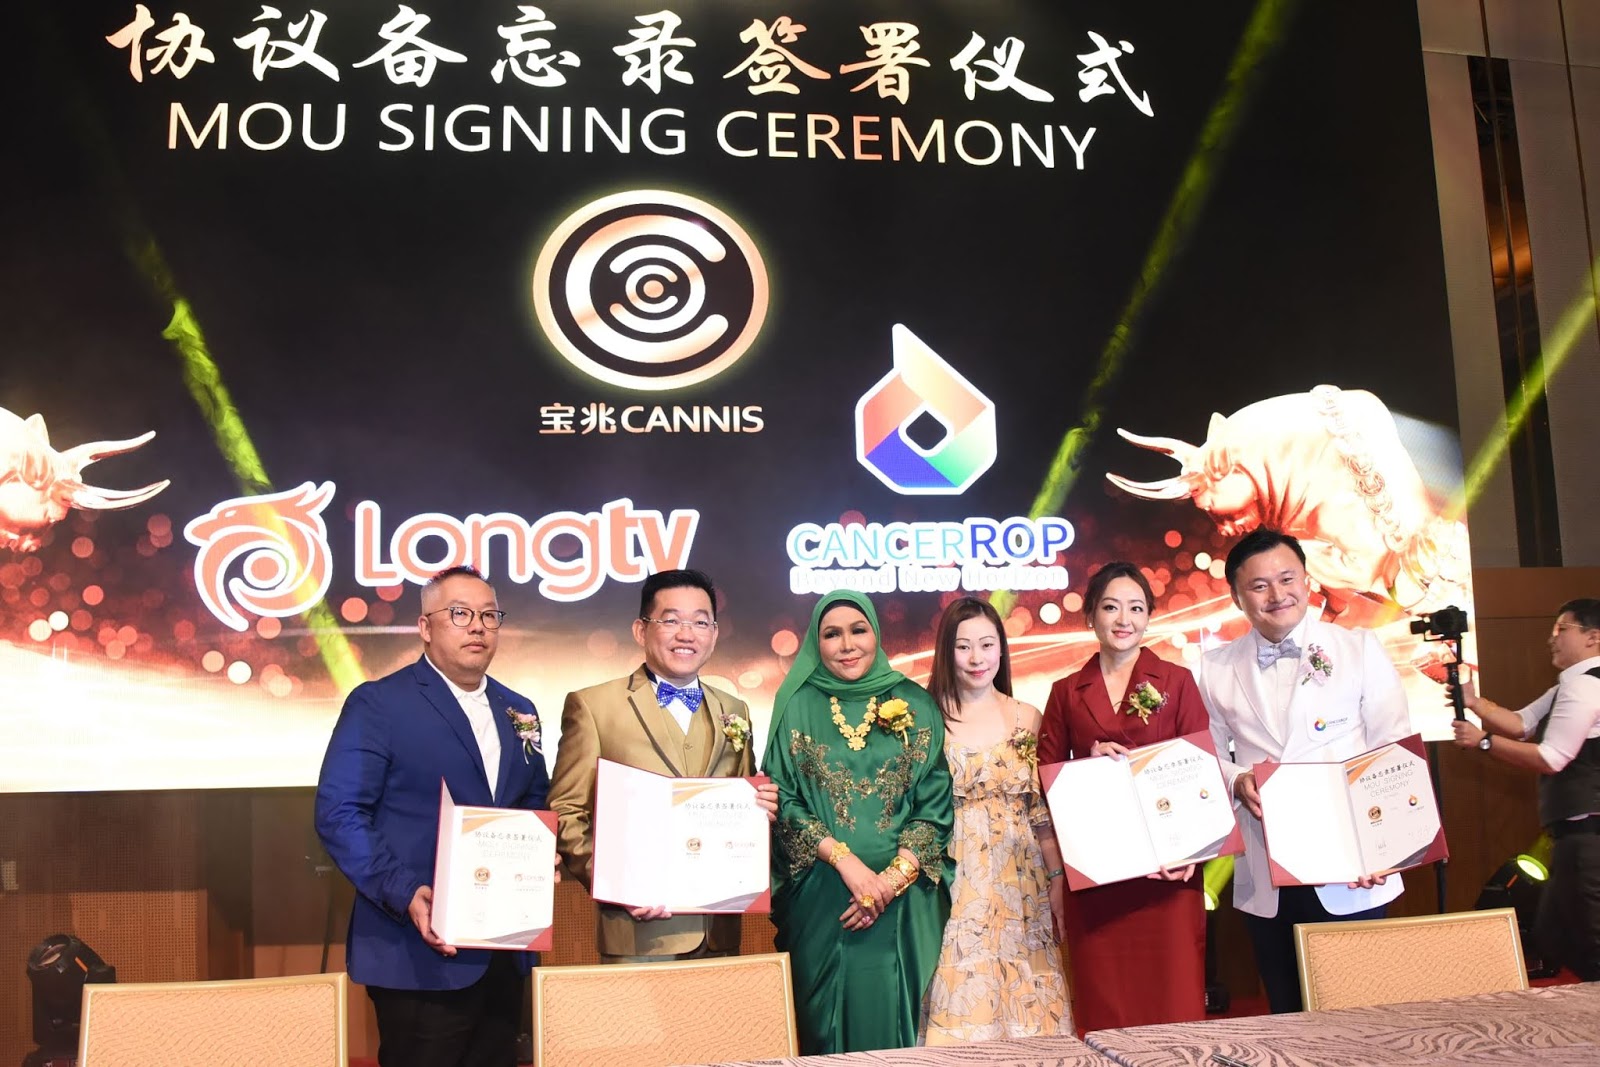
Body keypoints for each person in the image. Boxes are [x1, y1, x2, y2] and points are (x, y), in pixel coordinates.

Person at [314, 565, 551, 1067]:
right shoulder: (380, 703)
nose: (478, 626)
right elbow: (340, 813)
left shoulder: (520, 709)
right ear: (425, 626)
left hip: (504, 947)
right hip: (416, 951)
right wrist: (404, 893)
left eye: (489, 615)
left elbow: (534, 801)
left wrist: (541, 849)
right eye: (460, 613)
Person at [1197, 529, 1411, 1014]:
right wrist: (1235, 779)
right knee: (1287, 1009)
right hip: (1267, 864)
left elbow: (1393, 747)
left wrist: (1386, 847)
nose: (1277, 594)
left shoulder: (1358, 648)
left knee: (1363, 1013)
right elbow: (1205, 754)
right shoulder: (1214, 668)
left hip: (1354, 867)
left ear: (1307, 581)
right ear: (1236, 596)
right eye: (1259, 586)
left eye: (1287, 578)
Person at [547, 568, 775, 962]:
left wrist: (762, 808)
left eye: (700, 622)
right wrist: (617, 885)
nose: (686, 634)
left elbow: (740, 802)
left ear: (714, 634)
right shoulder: (594, 706)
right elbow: (566, 811)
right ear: (641, 630)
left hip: (720, 932)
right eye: (671, 620)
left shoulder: (734, 709)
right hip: (639, 933)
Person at [764, 591, 954, 1054]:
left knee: (891, 1016)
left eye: (858, 630)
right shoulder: (796, 705)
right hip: (821, 893)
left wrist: (888, 882)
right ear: (816, 642)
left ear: (876, 633)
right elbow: (782, 796)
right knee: (820, 1029)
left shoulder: (915, 702)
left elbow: (933, 803)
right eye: (832, 634)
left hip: (902, 901)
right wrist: (848, 865)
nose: (847, 644)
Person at [1038, 562, 1209, 1031]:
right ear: (1091, 615)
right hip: (1099, 871)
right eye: (1111, 607)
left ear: (1149, 616)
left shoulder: (1176, 681)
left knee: (1172, 998)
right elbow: (1046, 779)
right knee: (1106, 1005)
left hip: (1167, 870)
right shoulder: (1066, 692)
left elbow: (1202, 770)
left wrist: (1192, 851)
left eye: (1136, 608)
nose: (1123, 619)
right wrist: (1088, 764)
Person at [921, 596, 1072, 1044]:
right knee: (961, 999)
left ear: (1001, 650)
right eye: (963, 646)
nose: (976, 658)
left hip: (1022, 882)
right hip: (954, 881)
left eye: (987, 645)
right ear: (946, 651)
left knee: (1030, 1011)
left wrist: (1057, 878)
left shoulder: (1027, 717)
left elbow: (1041, 816)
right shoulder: (927, 718)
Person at [1450, 598, 1600, 981]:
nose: (1551, 637)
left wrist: (1484, 742)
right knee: (1556, 933)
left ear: (1593, 637)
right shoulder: (1574, 684)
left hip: (1589, 836)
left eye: (1562, 629)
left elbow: (1552, 757)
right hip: (1575, 837)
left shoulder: (1584, 687)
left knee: (1585, 941)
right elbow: (1521, 724)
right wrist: (1473, 701)